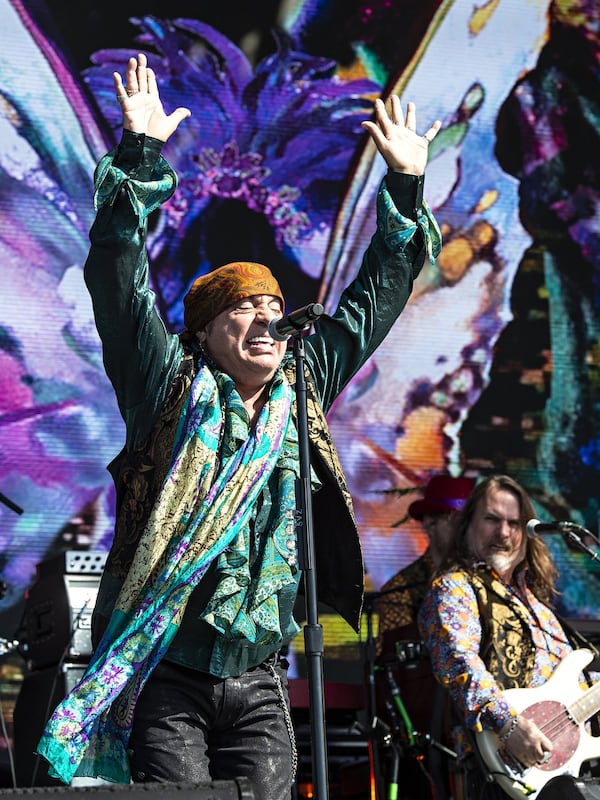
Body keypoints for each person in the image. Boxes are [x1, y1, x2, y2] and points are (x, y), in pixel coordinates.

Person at [35, 53, 442, 800]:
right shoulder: (167, 382)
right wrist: (139, 153)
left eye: (273, 305)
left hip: (259, 672)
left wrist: (407, 185)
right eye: (244, 307)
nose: (266, 317)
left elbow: (373, 299)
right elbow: (118, 275)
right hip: (168, 669)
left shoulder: (301, 384)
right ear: (205, 330)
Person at [418, 474, 599, 800]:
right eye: (491, 520)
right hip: (502, 767)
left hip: (570, 769)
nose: (503, 533)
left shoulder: (541, 608)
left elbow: (579, 686)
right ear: (468, 525)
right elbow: (459, 663)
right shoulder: (456, 587)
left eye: (514, 523)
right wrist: (509, 725)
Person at [374, 474, 474, 799]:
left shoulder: (492, 585)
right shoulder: (400, 590)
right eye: (453, 520)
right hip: (434, 738)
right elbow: (398, 675)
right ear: (430, 524)